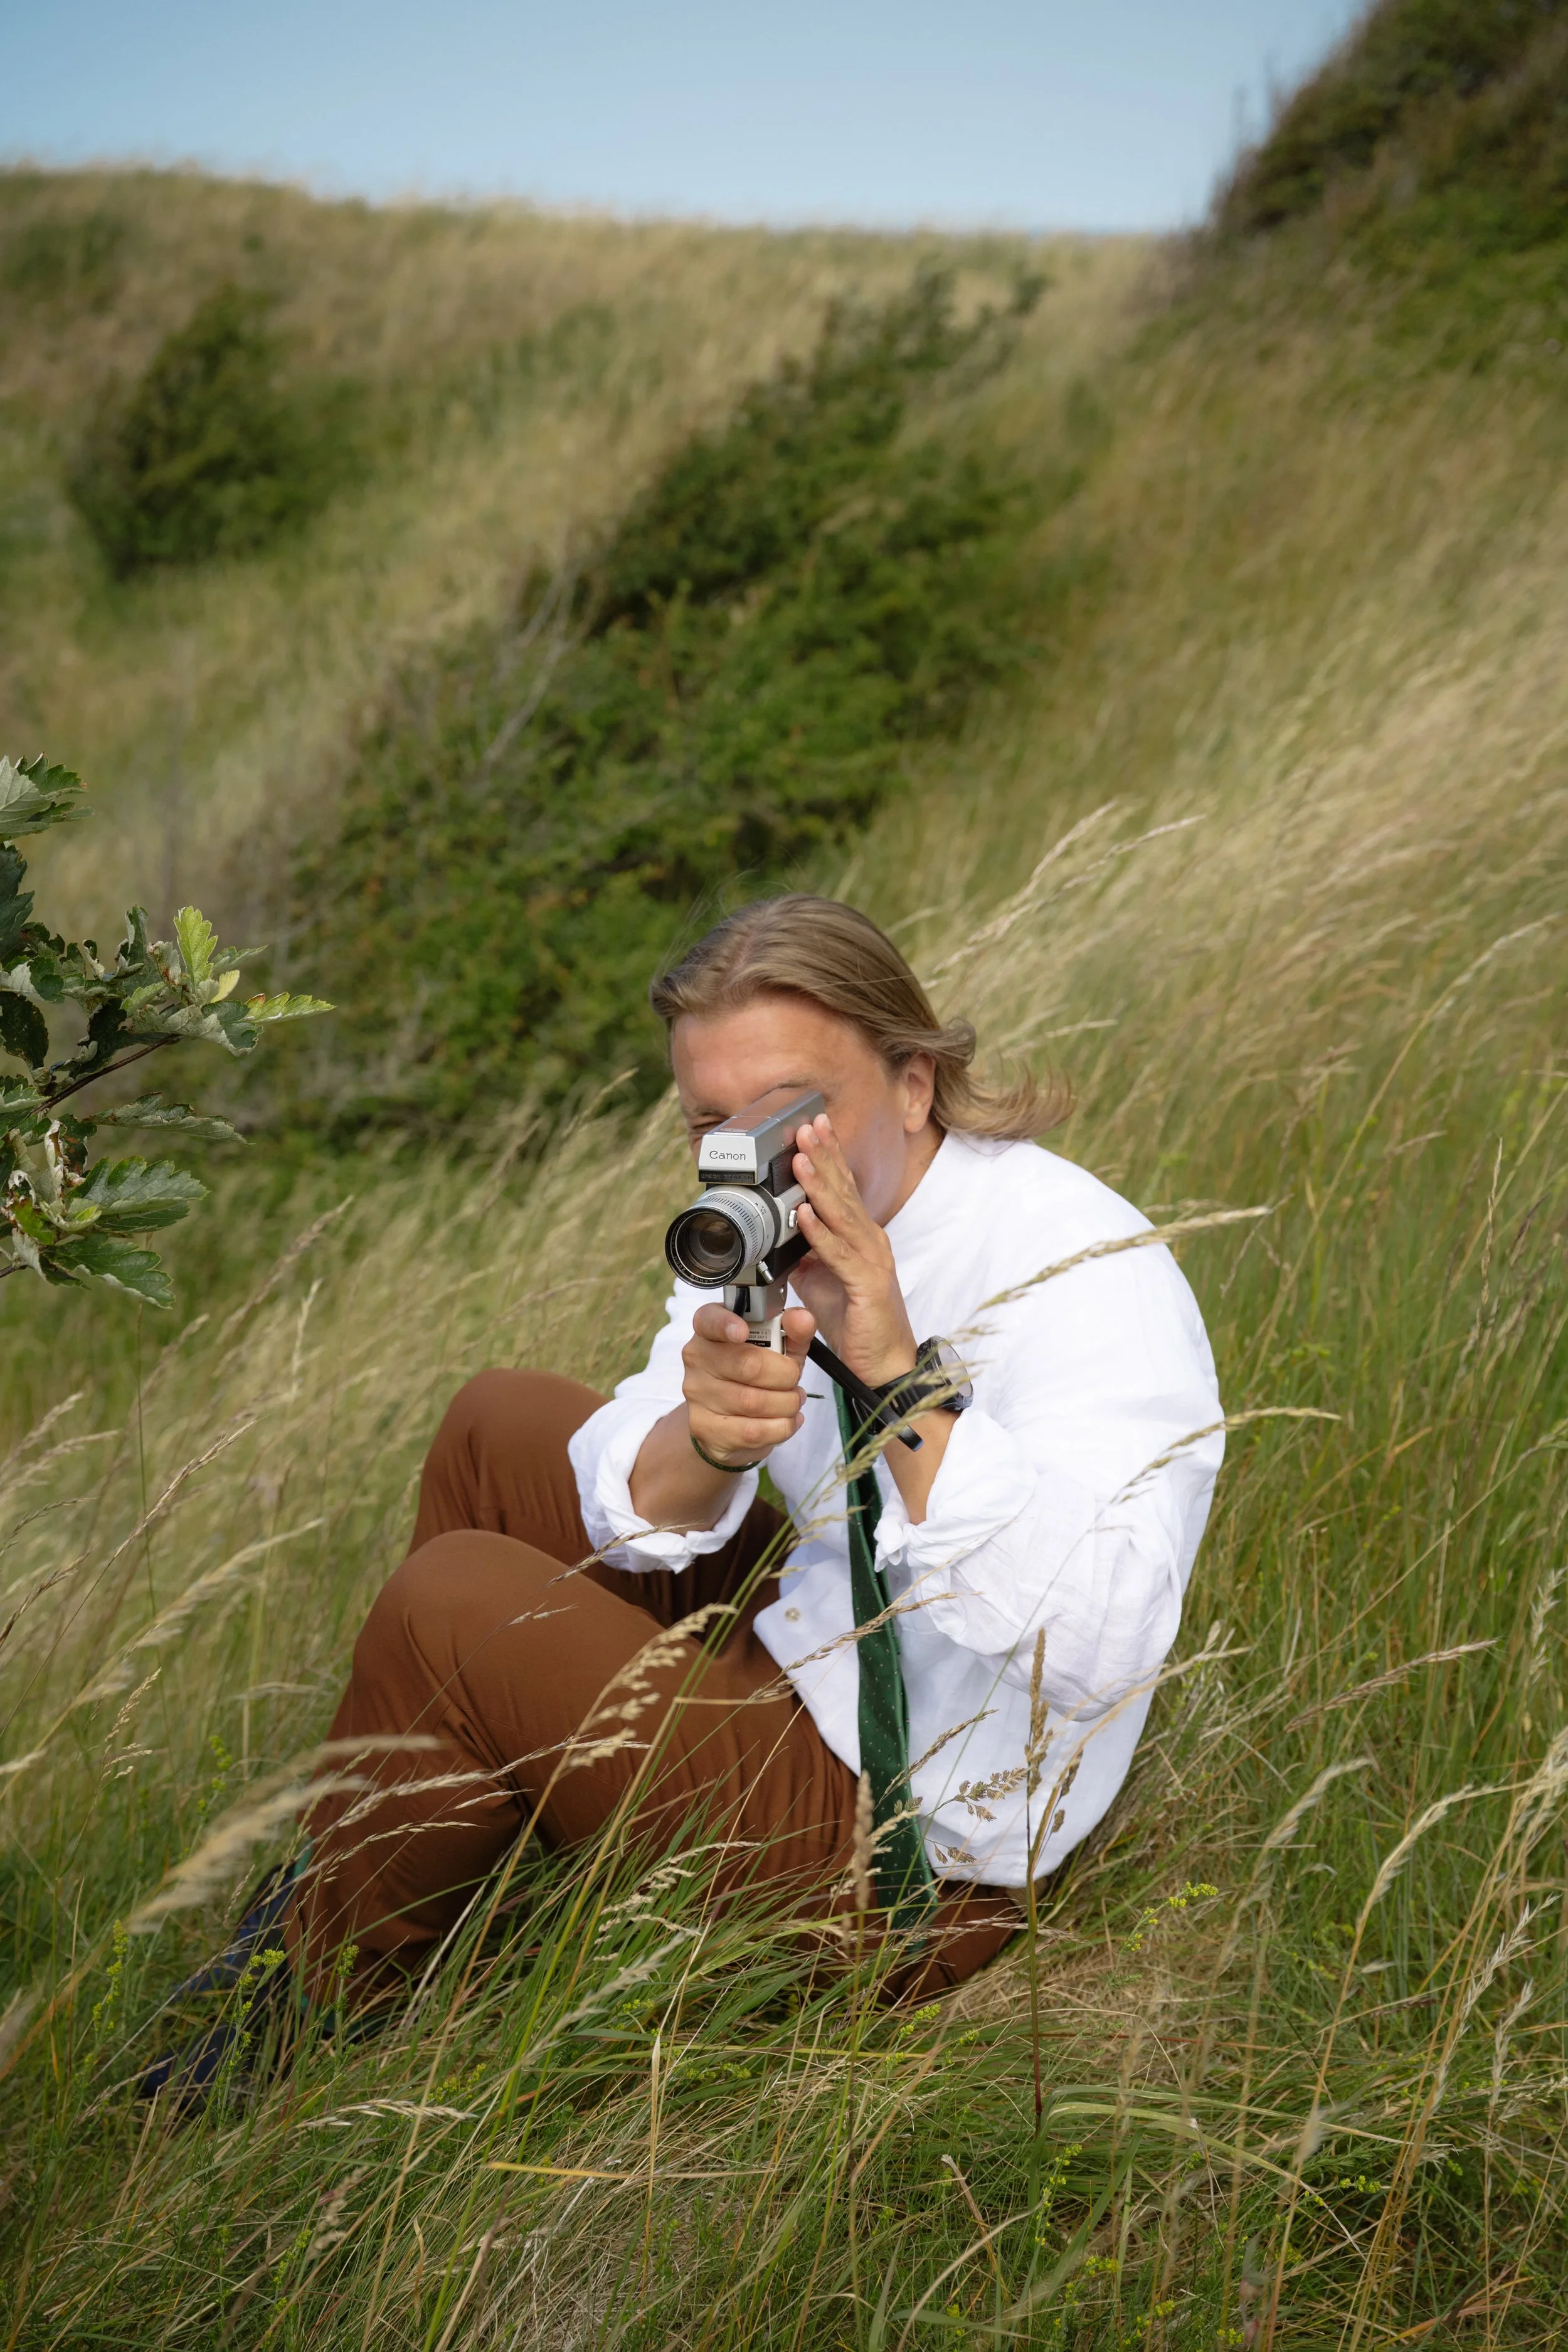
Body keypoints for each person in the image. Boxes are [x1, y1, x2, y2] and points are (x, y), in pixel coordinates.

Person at [142, 894, 1224, 2100]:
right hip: (825, 1645)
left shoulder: (1086, 1274)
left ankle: (308, 2030)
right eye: (710, 1121)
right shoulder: (766, 1217)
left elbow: (1102, 1644)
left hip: (911, 1851)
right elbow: (647, 1493)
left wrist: (896, 1372)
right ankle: (374, 1872)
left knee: (449, 1602)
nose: (747, 1152)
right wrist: (708, 1440)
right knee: (496, 1430)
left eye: (790, 1112)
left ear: (915, 1082)